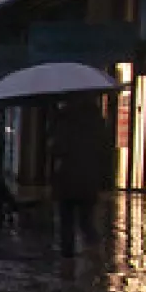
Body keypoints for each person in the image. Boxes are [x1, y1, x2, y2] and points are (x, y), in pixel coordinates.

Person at [48, 99, 108, 259]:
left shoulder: (64, 120)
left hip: (67, 179)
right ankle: (96, 251)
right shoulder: (97, 122)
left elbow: (58, 149)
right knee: (86, 221)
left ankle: (67, 260)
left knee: (66, 222)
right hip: (89, 180)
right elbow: (104, 152)